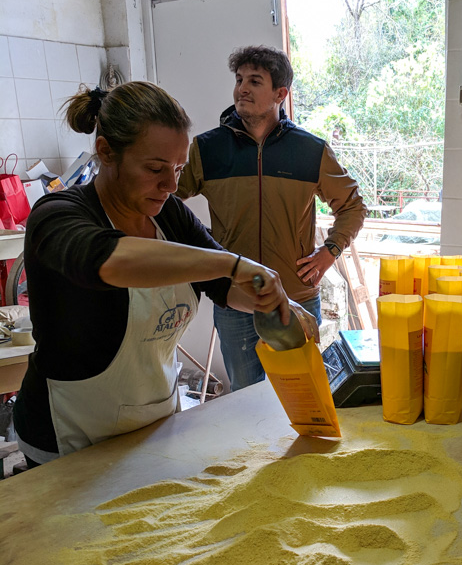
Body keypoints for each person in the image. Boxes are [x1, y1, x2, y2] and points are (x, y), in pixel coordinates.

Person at [13, 81, 291, 466]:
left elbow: (223, 286)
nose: (171, 185)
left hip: (155, 427)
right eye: (155, 169)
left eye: (178, 168)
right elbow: (111, 260)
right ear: (106, 151)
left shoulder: (169, 214)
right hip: (71, 440)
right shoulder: (57, 214)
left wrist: (271, 300)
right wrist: (233, 263)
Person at [176, 45, 367, 391]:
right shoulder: (207, 149)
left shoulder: (311, 151)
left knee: (301, 394)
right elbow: (166, 201)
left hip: (295, 297)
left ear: (280, 93)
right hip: (235, 298)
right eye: (238, 80)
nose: (241, 89)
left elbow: (353, 206)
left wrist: (330, 252)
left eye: (254, 81)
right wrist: (202, 246)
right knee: (246, 401)